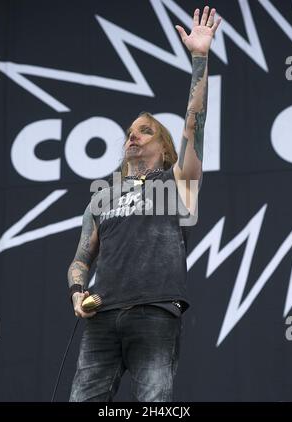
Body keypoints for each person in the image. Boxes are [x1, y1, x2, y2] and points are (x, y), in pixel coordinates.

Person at [68, 6, 221, 402]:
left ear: (164, 145)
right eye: (129, 133)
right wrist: (76, 291)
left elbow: (195, 122)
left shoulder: (177, 182)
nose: (132, 137)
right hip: (101, 314)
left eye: (144, 131)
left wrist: (200, 57)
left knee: (153, 404)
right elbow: (82, 257)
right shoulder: (103, 194)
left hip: (155, 311)